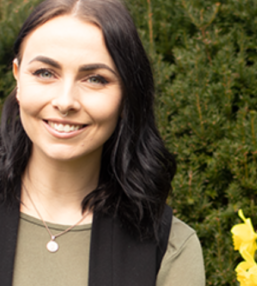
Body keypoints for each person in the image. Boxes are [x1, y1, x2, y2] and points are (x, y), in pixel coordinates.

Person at [0, 0, 205, 285]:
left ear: (126, 96)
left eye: (95, 79)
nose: (65, 102)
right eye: (45, 73)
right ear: (18, 78)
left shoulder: (168, 248)